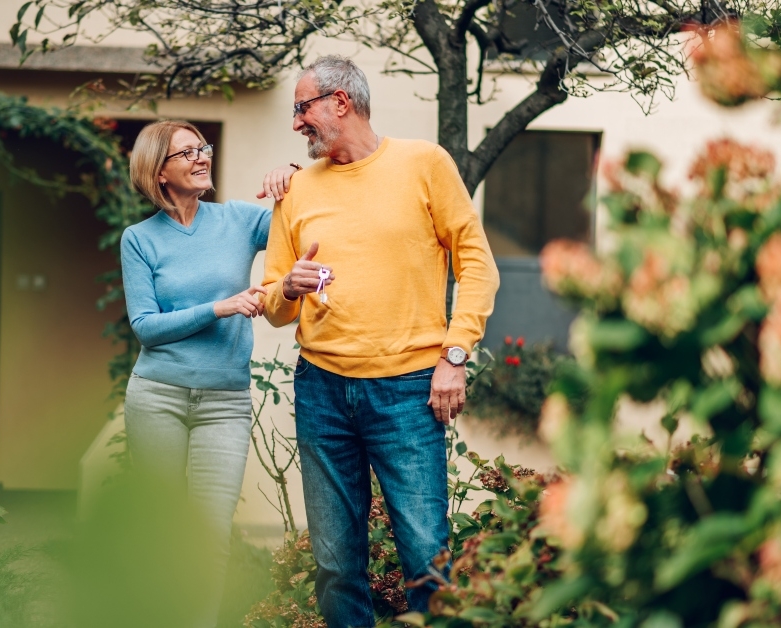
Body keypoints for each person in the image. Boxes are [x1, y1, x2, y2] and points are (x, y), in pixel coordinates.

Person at [260, 56, 501, 628]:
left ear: (340, 102)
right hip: (321, 390)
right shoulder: (296, 189)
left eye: (302, 108)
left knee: (425, 559)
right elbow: (272, 301)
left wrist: (455, 355)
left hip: (408, 392)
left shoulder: (424, 164)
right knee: (336, 564)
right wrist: (287, 288)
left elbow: (477, 263)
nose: (296, 124)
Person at [120, 119, 294, 627]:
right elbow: (146, 328)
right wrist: (219, 308)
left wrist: (294, 176)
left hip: (225, 403)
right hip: (158, 396)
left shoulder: (238, 220)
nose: (202, 158)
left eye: (204, 147)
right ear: (159, 173)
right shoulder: (139, 239)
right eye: (187, 153)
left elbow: (299, 224)